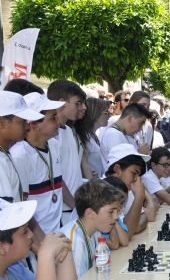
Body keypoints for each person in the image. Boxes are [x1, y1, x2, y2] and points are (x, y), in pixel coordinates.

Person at [10, 93, 65, 235]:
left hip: (59, 227)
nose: (58, 122)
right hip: (37, 238)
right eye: (52, 118)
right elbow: (21, 206)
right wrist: (40, 244)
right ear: (34, 124)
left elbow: (59, 185)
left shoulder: (54, 144)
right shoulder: (20, 155)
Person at [60, 179, 125, 277]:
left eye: (117, 212)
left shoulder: (94, 231)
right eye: (111, 212)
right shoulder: (74, 241)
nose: (116, 217)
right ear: (90, 213)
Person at [47, 80, 87, 224]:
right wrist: (74, 205)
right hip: (64, 211)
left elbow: (72, 172)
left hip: (74, 208)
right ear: (62, 103)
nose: (83, 107)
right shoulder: (51, 136)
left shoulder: (69, 131)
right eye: (78, 103)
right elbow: (57, 178)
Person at [104, 143, 154, 245]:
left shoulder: (125, 189)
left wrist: (132, 225)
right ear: (117, 170)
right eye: (134, 173)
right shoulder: (102, 191)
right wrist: (139, 198)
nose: (136, 179)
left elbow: (145, 218)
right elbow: (127, 234)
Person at [0, 92, 44, 202]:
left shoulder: (4, 153)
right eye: (23, 121)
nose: (28, 126)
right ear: (1, 122)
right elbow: (6, 214)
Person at [99, 103, 152, 168]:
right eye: (141, 123)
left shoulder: (123, 135)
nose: (141, 128)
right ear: (130, 119)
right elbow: (121, 166)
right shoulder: (113, 135)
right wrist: (140, 154)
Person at [75, 97, 110, 178]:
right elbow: (82, 163)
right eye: (106, 112)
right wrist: (88, 176)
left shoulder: (92, 135)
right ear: (94, 114)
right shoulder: (85, 138)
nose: (109, 115)